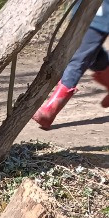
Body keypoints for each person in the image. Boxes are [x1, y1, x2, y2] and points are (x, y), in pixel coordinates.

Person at [33, 1, 109, 129]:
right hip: (85, 11)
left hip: (101, 14)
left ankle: (50, 111)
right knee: (93, 56)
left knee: (79, 57)